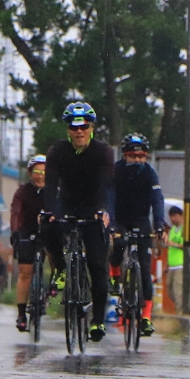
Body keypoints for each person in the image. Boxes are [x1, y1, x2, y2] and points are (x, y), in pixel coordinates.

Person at [42, 102, 115, 343]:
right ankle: (62, 268)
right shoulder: (57, 151)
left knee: (97, 265)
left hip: (93, 205)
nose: (79, 131)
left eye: (84, 126)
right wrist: (50, 210)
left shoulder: (103, 152)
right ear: (68, 130)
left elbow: (105, 184)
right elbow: (51, 185)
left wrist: (102, 210)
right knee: (48, 225)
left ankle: (97, 321)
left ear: (92, 128)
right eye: (74, 128)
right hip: (67, 202)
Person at [110, 133, 167, 337]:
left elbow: (157, 199)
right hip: (120, 218)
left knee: (145, 270)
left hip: (142, 219)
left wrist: (159, 226)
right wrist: (110, 224)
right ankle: (115, 276)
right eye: (133, 156)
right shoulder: (115, 171)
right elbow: (109, 197)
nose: (137, 160)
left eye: (141, 156)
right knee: (118, 244)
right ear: (125, 156)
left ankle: (146, 317)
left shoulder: (150, 173)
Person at [10, 154, 48, 331]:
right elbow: (16, 213)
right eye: (36, 172)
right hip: (27, 231)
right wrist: (16, 232)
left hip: (48, 231)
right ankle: (21, 314)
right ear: (30, 173)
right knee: (25, 272)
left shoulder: (55, 191)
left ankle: (53, 286)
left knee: (56, 253)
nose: (40, 175)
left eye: (44, 172)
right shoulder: (23, 192)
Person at [165, 206, 185, 313]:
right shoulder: (171, 230)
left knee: (178, 292)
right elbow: (169, 249)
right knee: (170, 291)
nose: (173, 219)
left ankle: (180, 314)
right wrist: (166, 265)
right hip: (171, 266)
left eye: (175, 216)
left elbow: (187, 246)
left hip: (180, 265)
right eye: (171, 217)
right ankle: (181, 306)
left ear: (181, 216)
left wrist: (175, 244)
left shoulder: (184, 229)